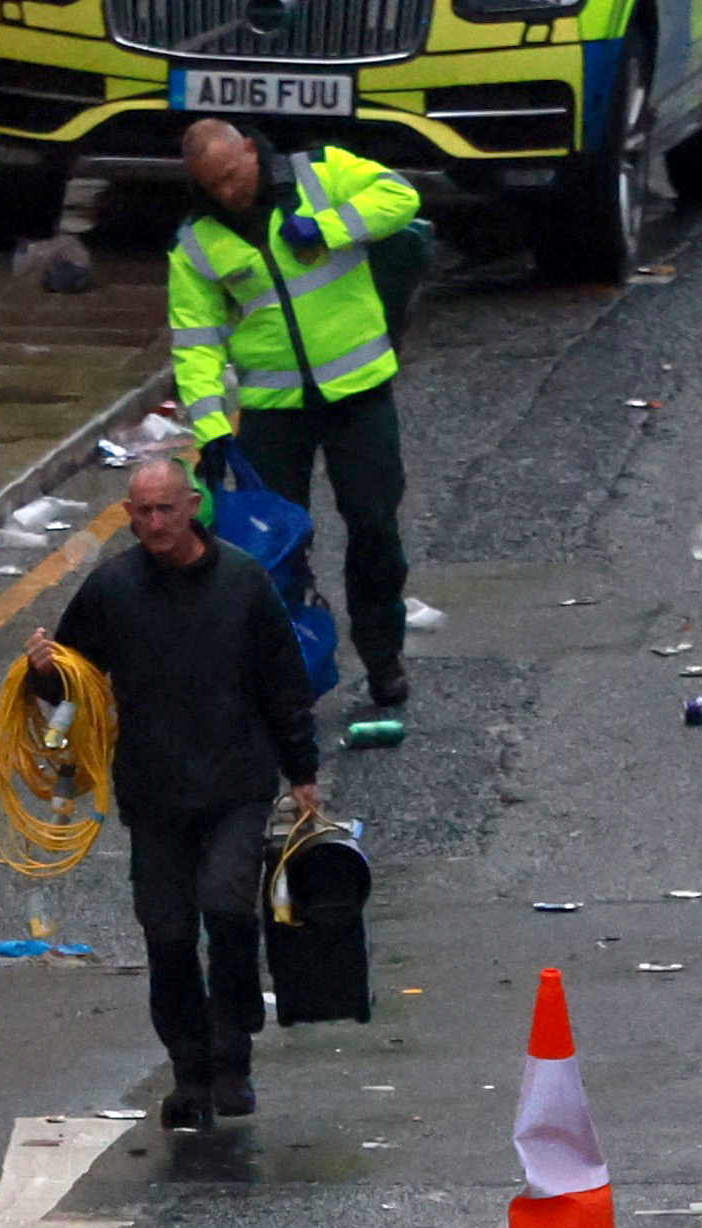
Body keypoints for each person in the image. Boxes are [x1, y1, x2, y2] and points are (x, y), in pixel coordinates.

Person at [37, 457, 321, 1130]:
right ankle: (188, 1073)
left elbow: (283, 684)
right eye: (141, 512)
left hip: (234, 787)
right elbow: (70, 684)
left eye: (165, 509)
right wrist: (41, 672)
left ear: (192, 506)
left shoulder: (243, 584)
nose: (154, 523)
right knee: (165, 934)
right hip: (154, 793)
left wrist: (302, 773)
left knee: (225, 909)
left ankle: (232, 1057)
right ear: (128, 514)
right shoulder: (111, 589)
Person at [169, 119, 424, 724]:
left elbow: (400, 197)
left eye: (233, 175)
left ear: (252, 152)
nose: (228, 192)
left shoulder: (320, 172)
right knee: (271, 551)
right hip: (274, 409)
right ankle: (286, 675)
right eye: (213, 185)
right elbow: (196, 343)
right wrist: (211, 432)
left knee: (373, 527)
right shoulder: (197, 245)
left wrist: (330, 227)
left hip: (358, 392)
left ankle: (382, 655)